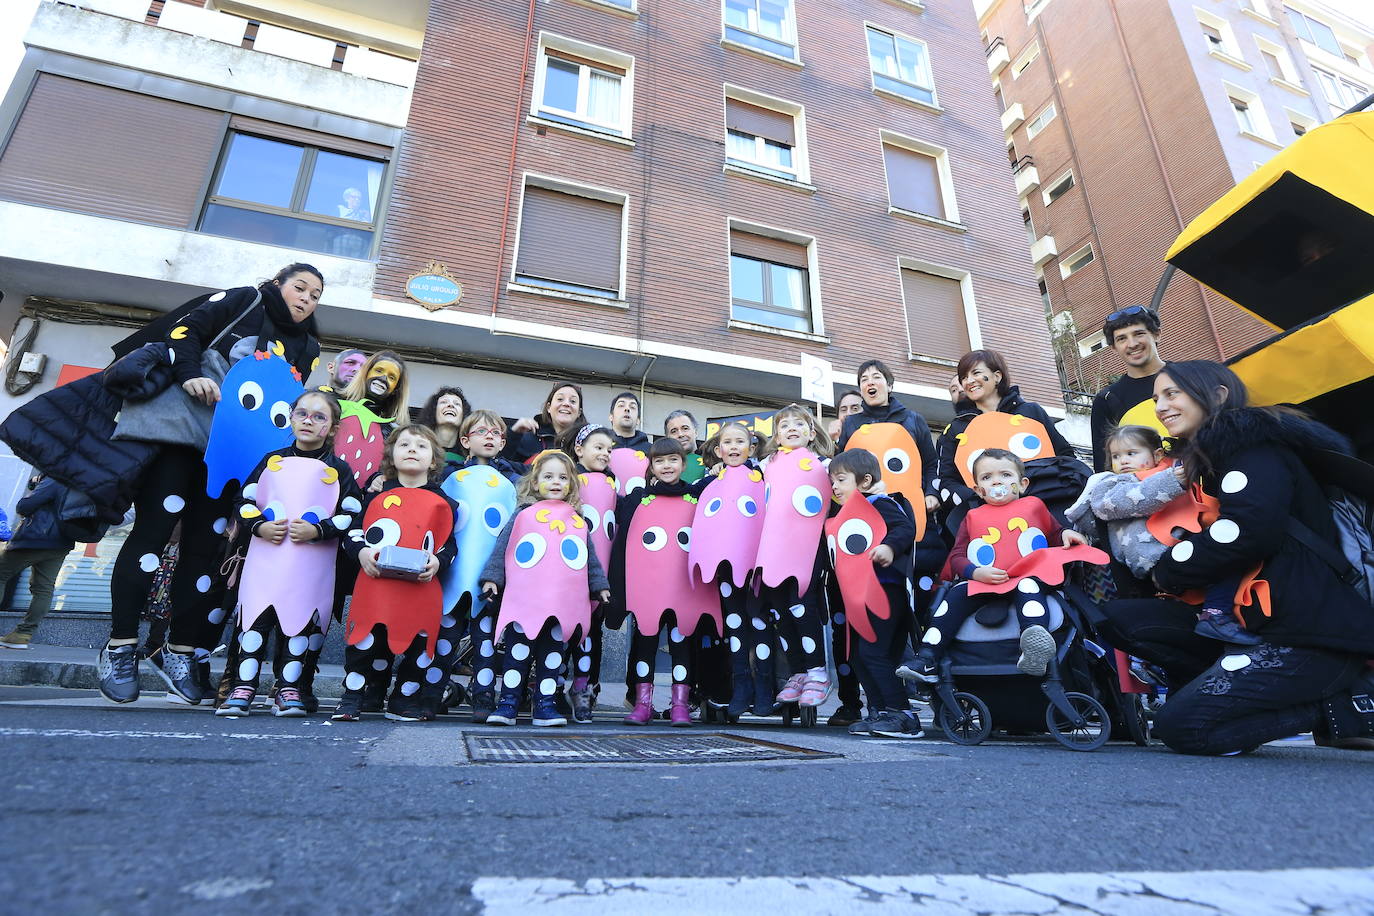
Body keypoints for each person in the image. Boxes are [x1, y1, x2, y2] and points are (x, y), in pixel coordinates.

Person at [1099, 361, 1374, 754]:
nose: (1160, 406)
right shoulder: (1209, 459)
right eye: (1156, 397)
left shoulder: (1251, 448)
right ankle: (1219, 687)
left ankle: (1349, 704)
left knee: (1183, 727)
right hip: (1256, 620)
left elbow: (1248, 530)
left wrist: (1170, 570)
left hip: (1307, 629)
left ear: (1217, 395)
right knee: (1120, 618)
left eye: (1172, 393)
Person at [96, 264, 323, 705]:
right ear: (278, 284)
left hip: (236, 456)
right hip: (187, 434)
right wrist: (189, 375)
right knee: (152, 535)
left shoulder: (308, 346)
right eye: (300, 288)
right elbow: (184, 332)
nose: (306, 300)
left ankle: (179, 649)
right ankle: (121, 644)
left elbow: (285, 403)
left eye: (315, 295)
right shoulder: (243, 300)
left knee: (206, 549)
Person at [216, 388, 363, 717]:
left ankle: (288, 688)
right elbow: (244, 501)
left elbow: (353, 512)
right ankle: (243, 687)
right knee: (253, 624)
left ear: (333, 428)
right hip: (265, 563)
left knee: (299, 627)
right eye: (302, 413)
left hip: (311, 567)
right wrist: (259, 527)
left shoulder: (339, 470)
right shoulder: (272, 460)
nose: (308, 421)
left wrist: (320, 529)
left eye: (319, 416)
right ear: (292, 417)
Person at [902, 449, 1092, 684]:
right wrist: (975, 572)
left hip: (1028, 576)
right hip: (986, 581)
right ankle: (928, 658)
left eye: (1005, 475)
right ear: (978, 490)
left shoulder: (1035, 506)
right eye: (986, 477)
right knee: (956, 594)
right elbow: (958, 556)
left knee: (1028, 586)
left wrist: (1067, 534)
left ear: (1022, 484)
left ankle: (1034, 646)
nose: (996, 481)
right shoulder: (972, 517)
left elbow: (1055, 533)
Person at [1066, 426, 1253, 646]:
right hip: (1153, 556)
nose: (1123, 461)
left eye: (1131, 453)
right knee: (1224, 561)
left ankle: (1213, 614)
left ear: (1157, 455)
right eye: (1116, 456)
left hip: (1177, 548)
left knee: (1229, 561)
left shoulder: (1168, 472)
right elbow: (1122, 502)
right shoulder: (1111, 482)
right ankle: (1215, 614)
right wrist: (1173, 480)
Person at [332, 425, 458, 722]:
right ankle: (354, 695)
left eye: (421, 446)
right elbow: (353, 532)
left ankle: (404, 697)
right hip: (376, 586)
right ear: (390, 455)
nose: (412, 449)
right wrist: (361, 552)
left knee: (418, 645)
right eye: (404, 444)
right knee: (365, 642)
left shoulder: (445, 502)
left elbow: (450, 544)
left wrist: (438, 562)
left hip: (420, 590)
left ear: (433, 460)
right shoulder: (374, 495)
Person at [479, 450, 611, 727]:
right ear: (535, 481)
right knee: (518, 652)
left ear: (571, 485)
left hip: (560, 606)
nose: (556, 482)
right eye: (548, 476)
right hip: (523, 603)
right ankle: (508, 704)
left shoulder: (577, 521)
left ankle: (546, 705)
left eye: (563, 477)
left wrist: (599, 586)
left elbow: (591, 560)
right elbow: (501, 549)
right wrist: (492, 578)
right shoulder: (523, 515)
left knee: (552, 655)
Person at [611, 437, 716, 726]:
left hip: (683, 588)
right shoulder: (638, 500)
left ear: (684, 463)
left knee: (681, 644)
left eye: (673, 459)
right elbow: (624, 544)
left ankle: (680, 703)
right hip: (649, 589)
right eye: (659, 460)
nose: (666, 466)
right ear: (651, 466)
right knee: (645, 644)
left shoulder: (695, 498)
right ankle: (642, 703)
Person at [826, 449, 921, 738]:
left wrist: (890, 547)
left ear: (865, 481)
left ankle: (902, 714)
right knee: (858, 656)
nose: (834, 487)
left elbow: (905, 528)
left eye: (841, 480)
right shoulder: (845, 513)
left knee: (875, 653)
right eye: (832, 481)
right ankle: (879, 711)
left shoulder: (879, 502)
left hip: (885, 592)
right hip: (860, 597)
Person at [755, 404, 835, 709]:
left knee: (802, 606)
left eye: (798, 424)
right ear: (776, 435)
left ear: (811, 432)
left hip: (808, 548)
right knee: (778, 609)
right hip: (771, 549)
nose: (791, 428)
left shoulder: (824, 464)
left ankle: (818, 671)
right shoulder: (764, 465)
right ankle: (798, 671)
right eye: (784, 425)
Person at [934, 349, 1076, 516]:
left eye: (976, 373)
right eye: (964, 377)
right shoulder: (956, 429)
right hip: (987, 520)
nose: (969, 381)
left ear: (997, 376)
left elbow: (1064, 456)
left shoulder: (1031, 412)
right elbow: (948, 480)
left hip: (1046, 509)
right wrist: (980, 501)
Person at [688, 421, 768, 717]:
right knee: (735, 626)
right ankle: (742, 685)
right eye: (728, 443)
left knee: (759, 624)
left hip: (756, 568)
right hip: (724, 570)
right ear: (718, 450)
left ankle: (763, 687)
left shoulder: (762, 477)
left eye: (740, 442)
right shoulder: (709, 483)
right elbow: (688, 497)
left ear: (751, 447)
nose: (734, 448)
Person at [564, 425, 618, 722]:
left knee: (591, 632)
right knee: (561, 630)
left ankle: (584, 688)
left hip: (600, 571)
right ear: (579, 449)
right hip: (568, 567)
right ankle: (552, 685)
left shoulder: (612, 485)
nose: (604, 453)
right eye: (598, 447)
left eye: (609, 449)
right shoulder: (568, 480)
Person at [0, 476, 76, 649]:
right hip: (62, 542)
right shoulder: (86, 482)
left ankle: (21, 635)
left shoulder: (56, 477)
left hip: (36, 538)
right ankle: (23, 634)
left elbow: (24, 506)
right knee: (43, 588)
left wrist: (37, 485)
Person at [1090, 306, 1166, 472]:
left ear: (1157, 334)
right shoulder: (1107, 400)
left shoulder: (1190, 377)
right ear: (1114, 347)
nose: (1132, 344)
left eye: (1139, 334)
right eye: (1122, 339)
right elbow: (1105, 468)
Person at [336, 350, 411, 489]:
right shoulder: (335, 406)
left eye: (392, 377)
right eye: (378, 370)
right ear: (366, 373)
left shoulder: (393, 431)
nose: (383, 378)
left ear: (396, 389)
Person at [506, 382, 587, 462]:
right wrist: (513, 435)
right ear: (549, 407)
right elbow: (501, 465)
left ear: (579, 412)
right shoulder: (529, 438)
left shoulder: (587, 443)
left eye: (573, 401)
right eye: (560, 399)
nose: (566, 404)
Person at [454, 411, 526, 485]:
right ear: (466, 442)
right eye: (481, 431)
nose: (490, 436)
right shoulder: (451, 474)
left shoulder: (512, 479)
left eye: (496, 432)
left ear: (502, 444)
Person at [416, 386, 471, 473]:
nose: (450, 405)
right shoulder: (416, 447)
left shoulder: (470, 454)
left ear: (464, 415)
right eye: (444, 402)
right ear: (433, 411)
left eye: (457, 404)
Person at [664, 409, 706, 483]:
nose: (680, 434)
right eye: (674, 431)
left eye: (685, 428)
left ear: (696, 432)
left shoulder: (713, 460)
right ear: (667, 437)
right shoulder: (662, 467)